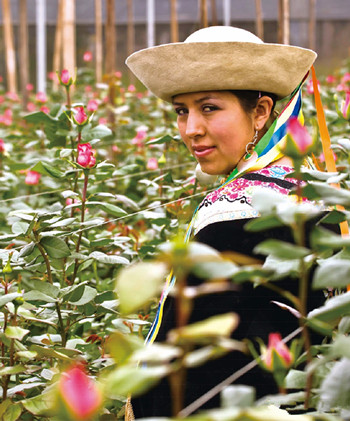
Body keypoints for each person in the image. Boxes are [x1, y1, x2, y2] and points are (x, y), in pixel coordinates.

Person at [125, 26, 323, 417]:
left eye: (209, 108)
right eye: (182, 111)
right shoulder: (311, 183)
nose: (191, 129)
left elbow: (192, 361)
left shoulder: (231, 213)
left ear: (261, 111)